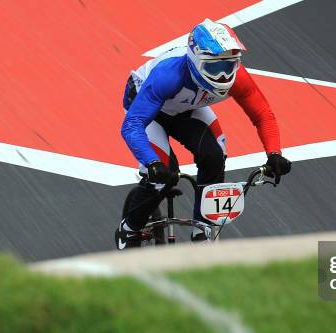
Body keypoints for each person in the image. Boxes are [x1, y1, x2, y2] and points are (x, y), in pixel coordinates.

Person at [115, 19, 292, 249]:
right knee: (163, 174)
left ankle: (203, 230)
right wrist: (152, 162)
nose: (223, 76)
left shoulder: (237, 76)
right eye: (214, 68)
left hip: (187, 105)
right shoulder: (168, 75)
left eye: (229, 66)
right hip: (147, 110)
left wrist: (274, 154)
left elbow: (263, 115)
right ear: (196, 61)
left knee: (215, 155)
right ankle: (129, 229)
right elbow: (132, 125)